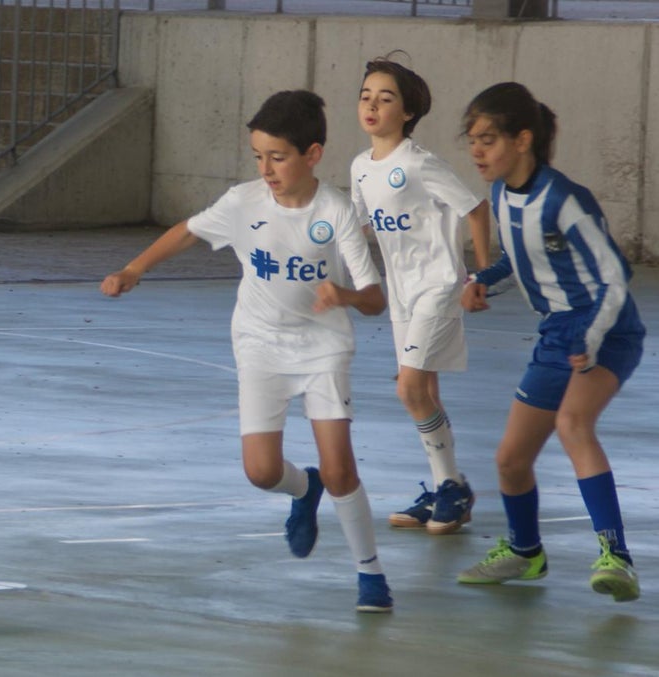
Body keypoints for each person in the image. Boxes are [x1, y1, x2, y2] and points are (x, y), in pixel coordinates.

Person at [101, 90, 393, 613]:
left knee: (341, 466)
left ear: (313, 154)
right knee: (260, 471)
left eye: (277, 157)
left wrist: (344, 295)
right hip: (259, 343)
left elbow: (375, 298)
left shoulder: (337, 211)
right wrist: (134, 269)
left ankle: (369, 574)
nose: (266, 168)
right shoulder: (243, 203)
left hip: (323, 347)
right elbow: (186, 232)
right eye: (258, 156)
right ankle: (304, 491)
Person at [456, 82, 644, 602]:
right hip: (558, 333)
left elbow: (615, 275)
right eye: (471, 139)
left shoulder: (564, 200)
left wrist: (591, 334)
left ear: (523, 139)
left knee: (572, 422)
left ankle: (616, 558)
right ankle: (524, 551)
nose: (477, 150)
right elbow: (521, 259)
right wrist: (483, 279)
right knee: (511, 461)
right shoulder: (499, 193)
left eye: (487, 139)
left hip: (607, 329)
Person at [350, 56, 492, 535]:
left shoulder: (419, 163)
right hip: (402, 292)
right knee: (424, 391)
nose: (372, 105)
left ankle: (451, 485)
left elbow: (475, 207)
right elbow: (356, 227)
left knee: (409, 389)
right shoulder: (360, 168)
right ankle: (447, 489)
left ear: (407, 112)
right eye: (366, 95)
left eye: (385, 98)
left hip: (438, 284)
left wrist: (482, 275)